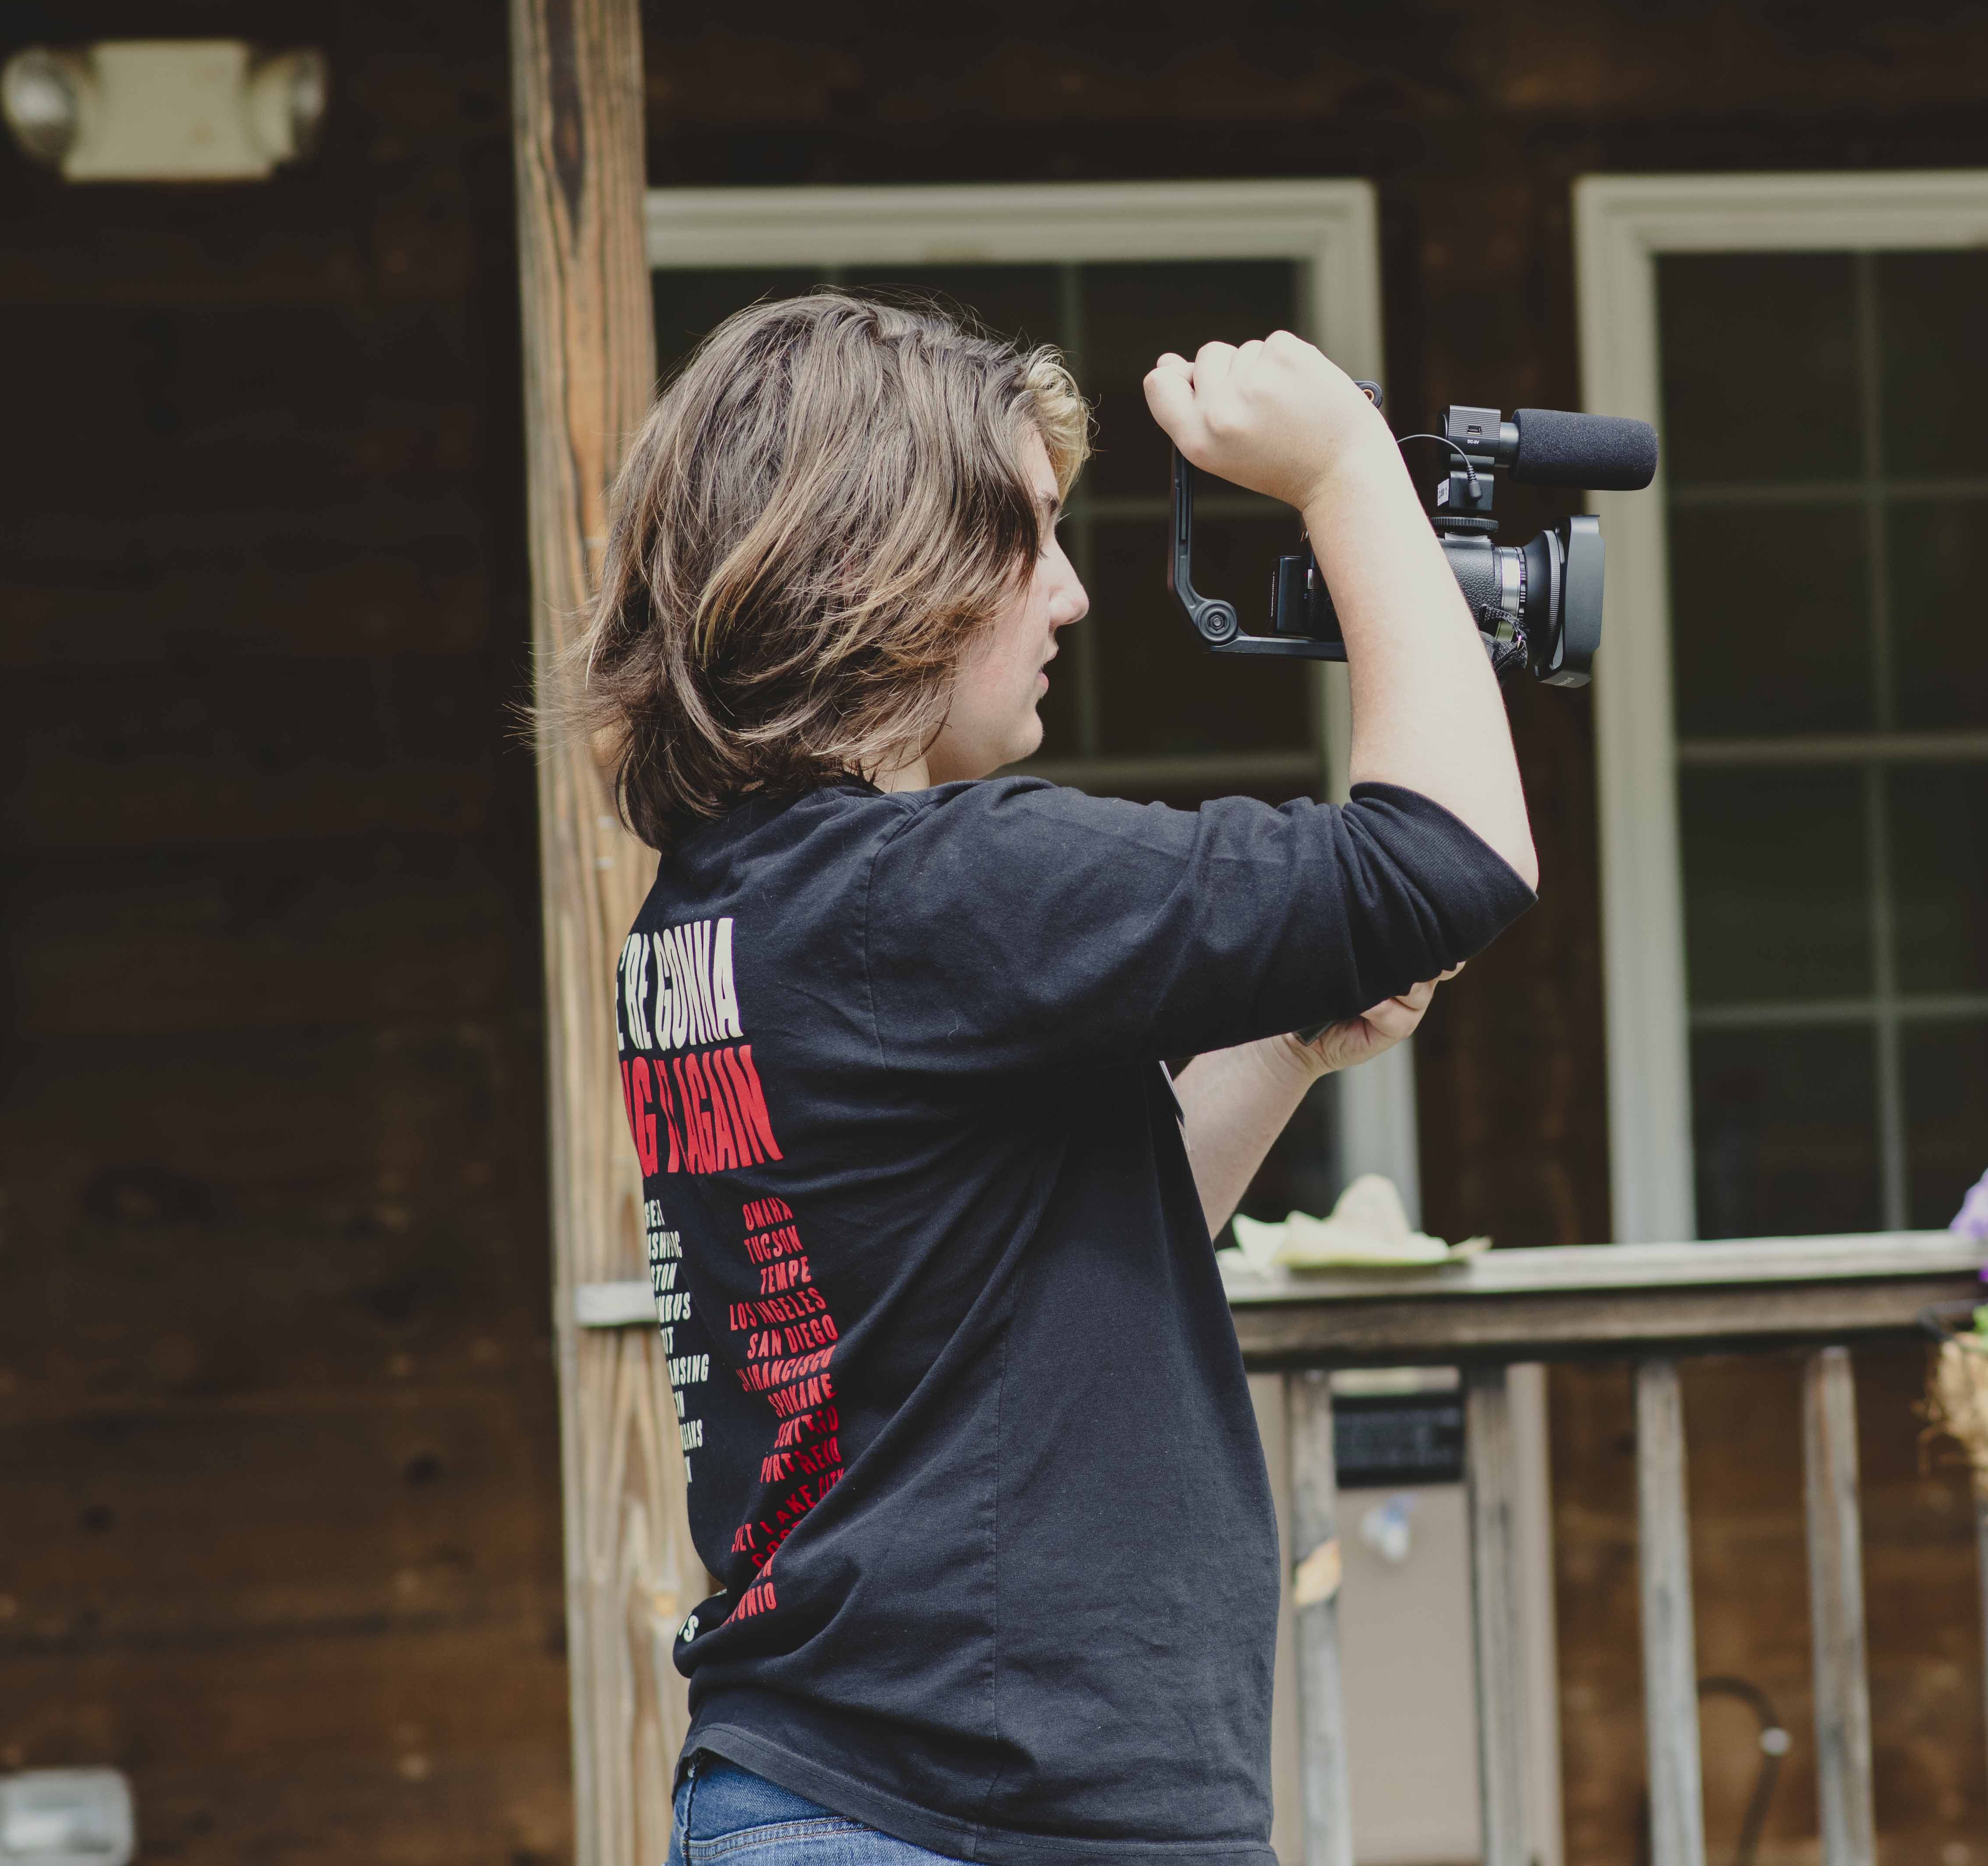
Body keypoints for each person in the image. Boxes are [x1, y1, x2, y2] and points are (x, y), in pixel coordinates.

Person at [562, 292, 1538, 1866]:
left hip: (838, 1786)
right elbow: (1452, 860)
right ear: (891, 563)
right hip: (983, 1811)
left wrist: (1287, 1040)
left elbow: (1036, 1264)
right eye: (1031, 533)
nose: (1074, 596)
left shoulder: (720, 908)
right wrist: (1352, 469)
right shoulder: (937, 887)